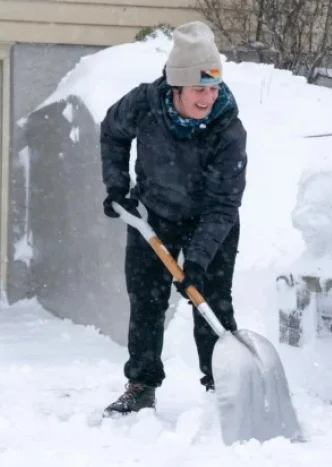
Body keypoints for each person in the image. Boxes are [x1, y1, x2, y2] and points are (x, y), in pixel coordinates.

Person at [99, 21, 248, 415]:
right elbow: (113, 132)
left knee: (212, 303)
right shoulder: (145, 103)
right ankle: (142, 385)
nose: (208, 98)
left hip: (209, 221)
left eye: (214, 88)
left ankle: (223, 386)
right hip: (153, 215)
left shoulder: (227, 128)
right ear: (176, 86)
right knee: (146, 303)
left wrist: (196, 260)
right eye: (199, 89)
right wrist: (117, 186)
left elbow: (223, 204)